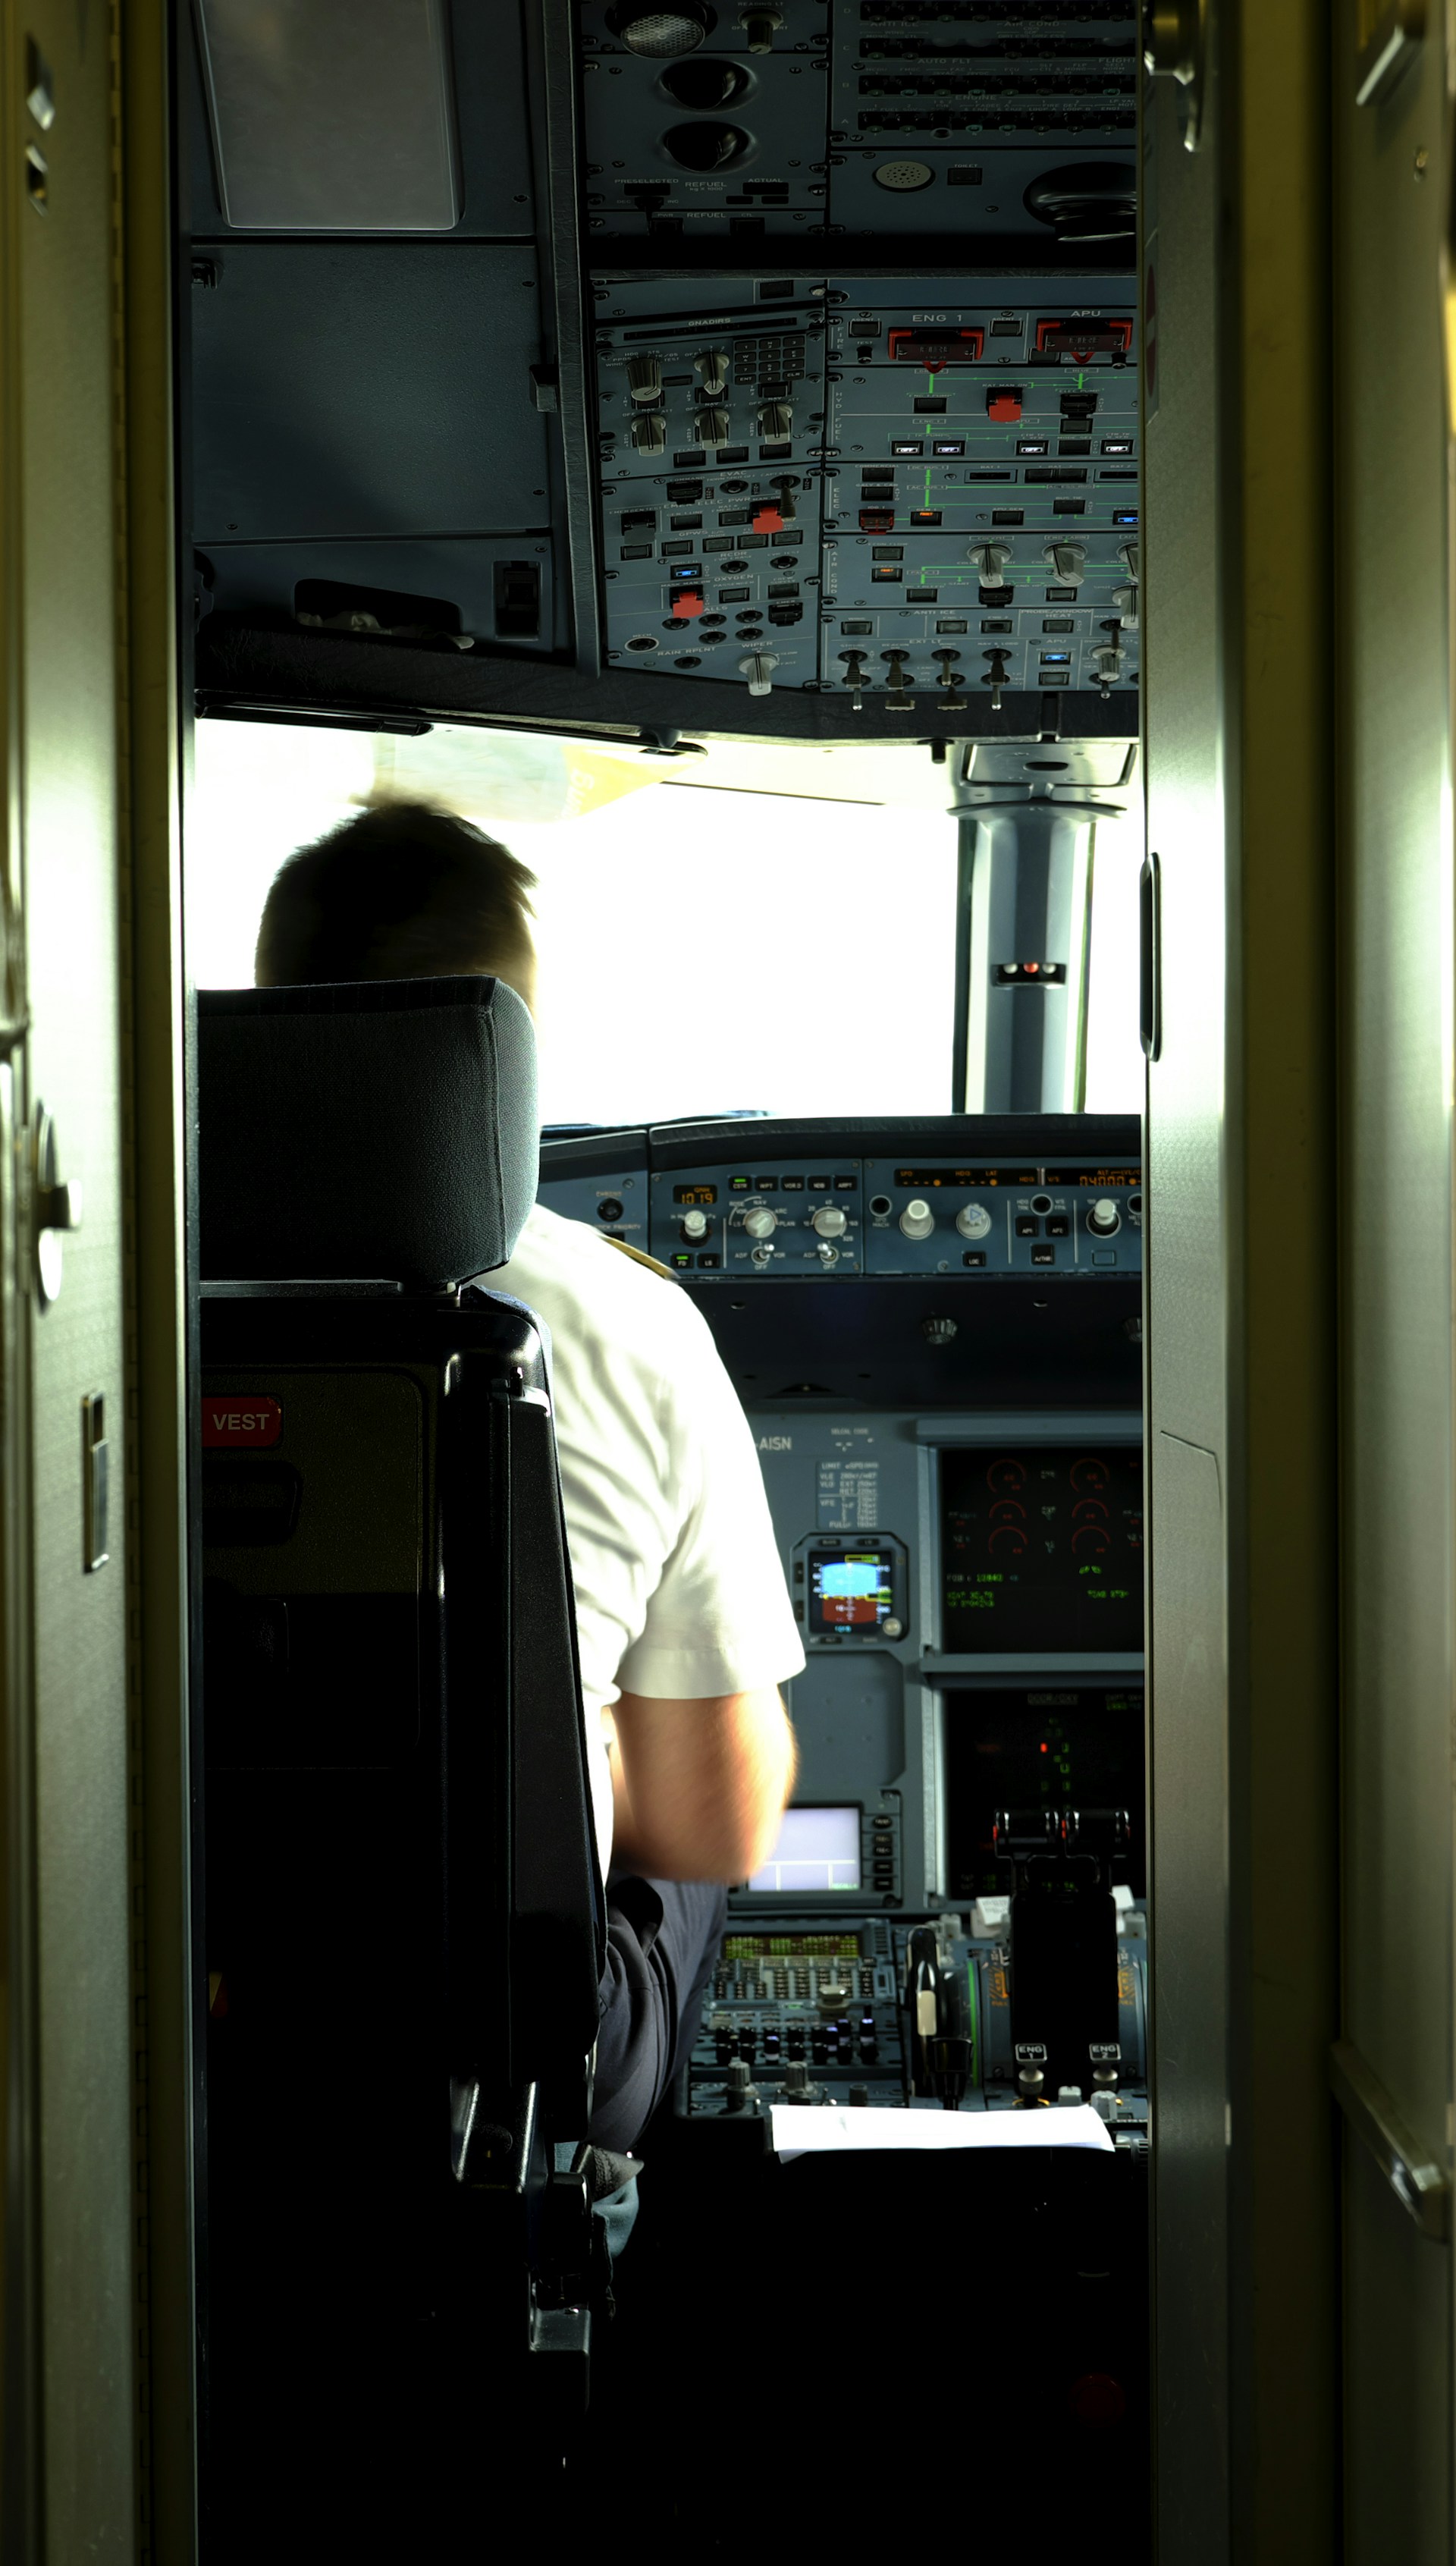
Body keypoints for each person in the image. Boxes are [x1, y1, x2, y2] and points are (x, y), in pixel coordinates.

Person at [254, 797, 804, 2153]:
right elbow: (712, 1826)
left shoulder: (103, 1302)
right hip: (483, 2061)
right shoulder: (626, 1325)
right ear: (505, 1046)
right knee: (676, 1821)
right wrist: (594, 1738)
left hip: (175, 2003)